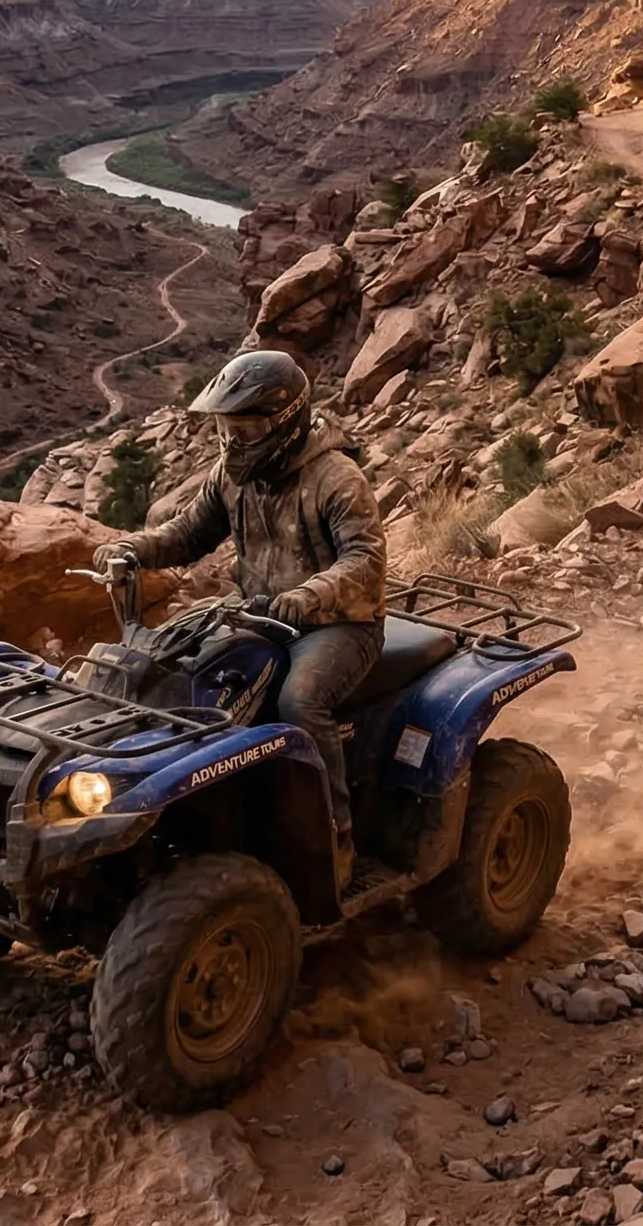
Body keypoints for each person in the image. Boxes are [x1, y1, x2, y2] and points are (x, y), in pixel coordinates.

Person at [99, 350, 384, 889]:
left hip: (339, 625)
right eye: (227, 426)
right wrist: (131, 548)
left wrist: (310, 593)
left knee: (299, 701)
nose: (233, 438)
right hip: (259, 617)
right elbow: (187, 533)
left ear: (284, 420)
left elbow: (364, 561)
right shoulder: (233, 475)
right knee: (180, 677)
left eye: (247, 426)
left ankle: (333, 837)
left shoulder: (335, 477)